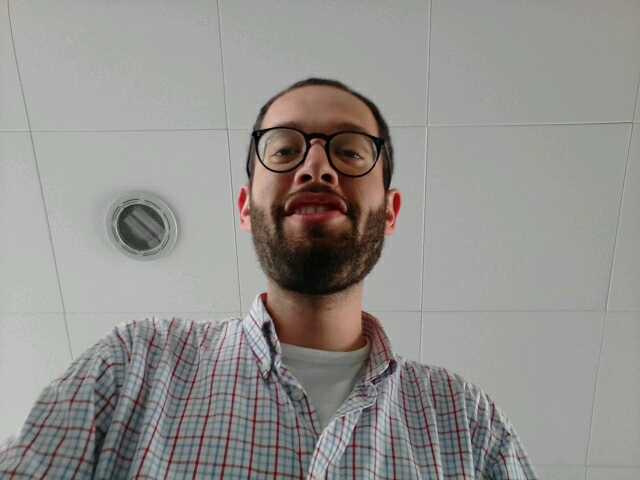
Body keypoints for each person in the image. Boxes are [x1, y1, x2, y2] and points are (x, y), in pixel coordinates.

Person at [0, 77, 539, 479]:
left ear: (391, 211)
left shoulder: (466, 420)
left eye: (350, 151)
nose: (316, 167)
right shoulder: (132, 366)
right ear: (245, 207)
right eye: (284, 150)